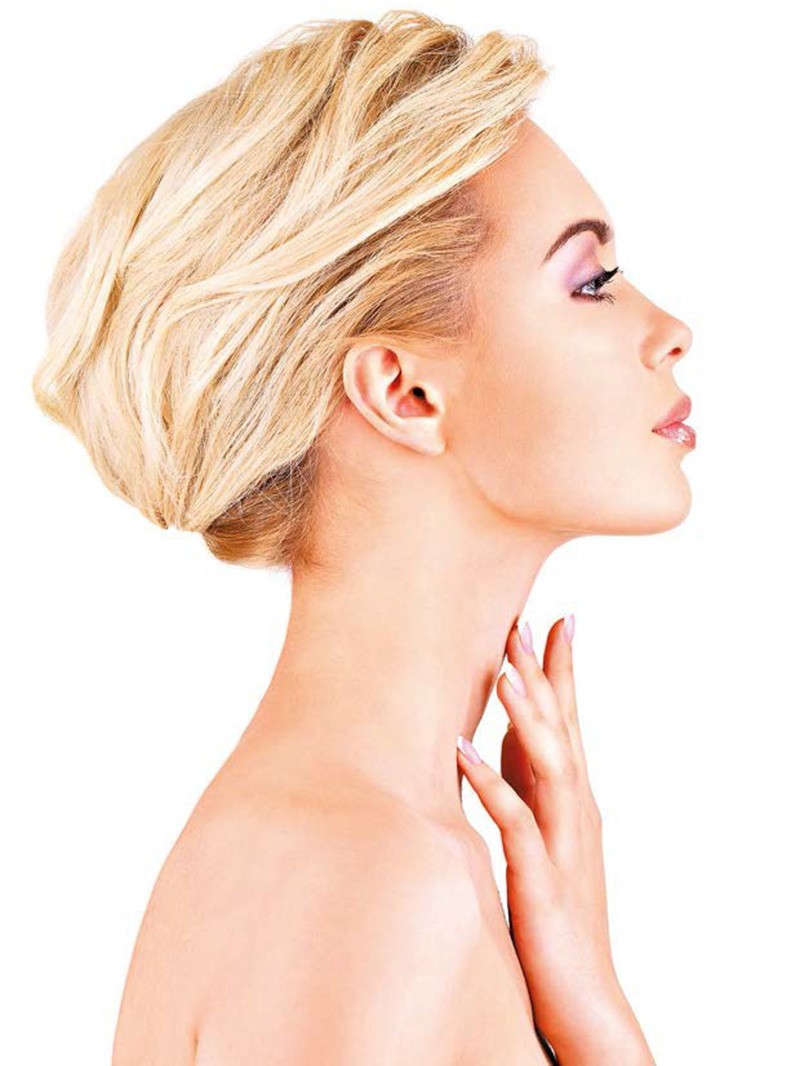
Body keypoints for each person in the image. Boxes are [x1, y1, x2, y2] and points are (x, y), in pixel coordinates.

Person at [32, 11, 692, 1064]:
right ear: (404, 392)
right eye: (590, 282)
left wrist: (597, 1018)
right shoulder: (378, 886)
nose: (668, 332)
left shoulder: (340, 846)